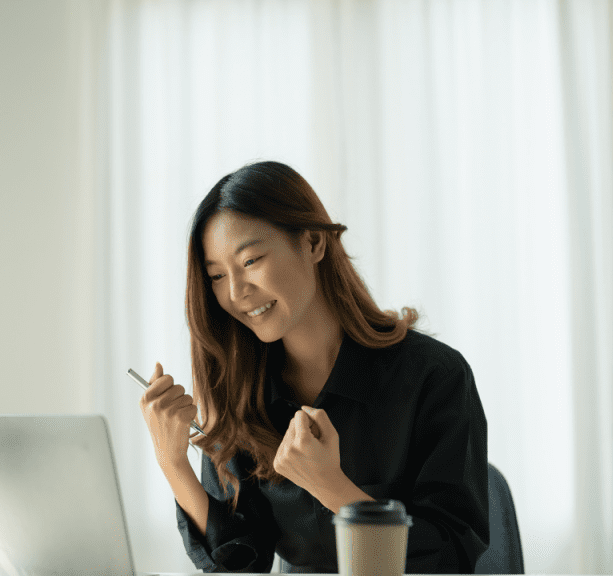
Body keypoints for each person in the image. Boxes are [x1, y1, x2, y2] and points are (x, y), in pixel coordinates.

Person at [138, 161, 489, 573]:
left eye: (250, 261)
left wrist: (333, 488)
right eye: (216, 275)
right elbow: (240, 563)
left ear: (313, 243)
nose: (236, 292)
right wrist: (173, 464)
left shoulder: (434, 377)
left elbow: (450, 557)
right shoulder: (241, 392)